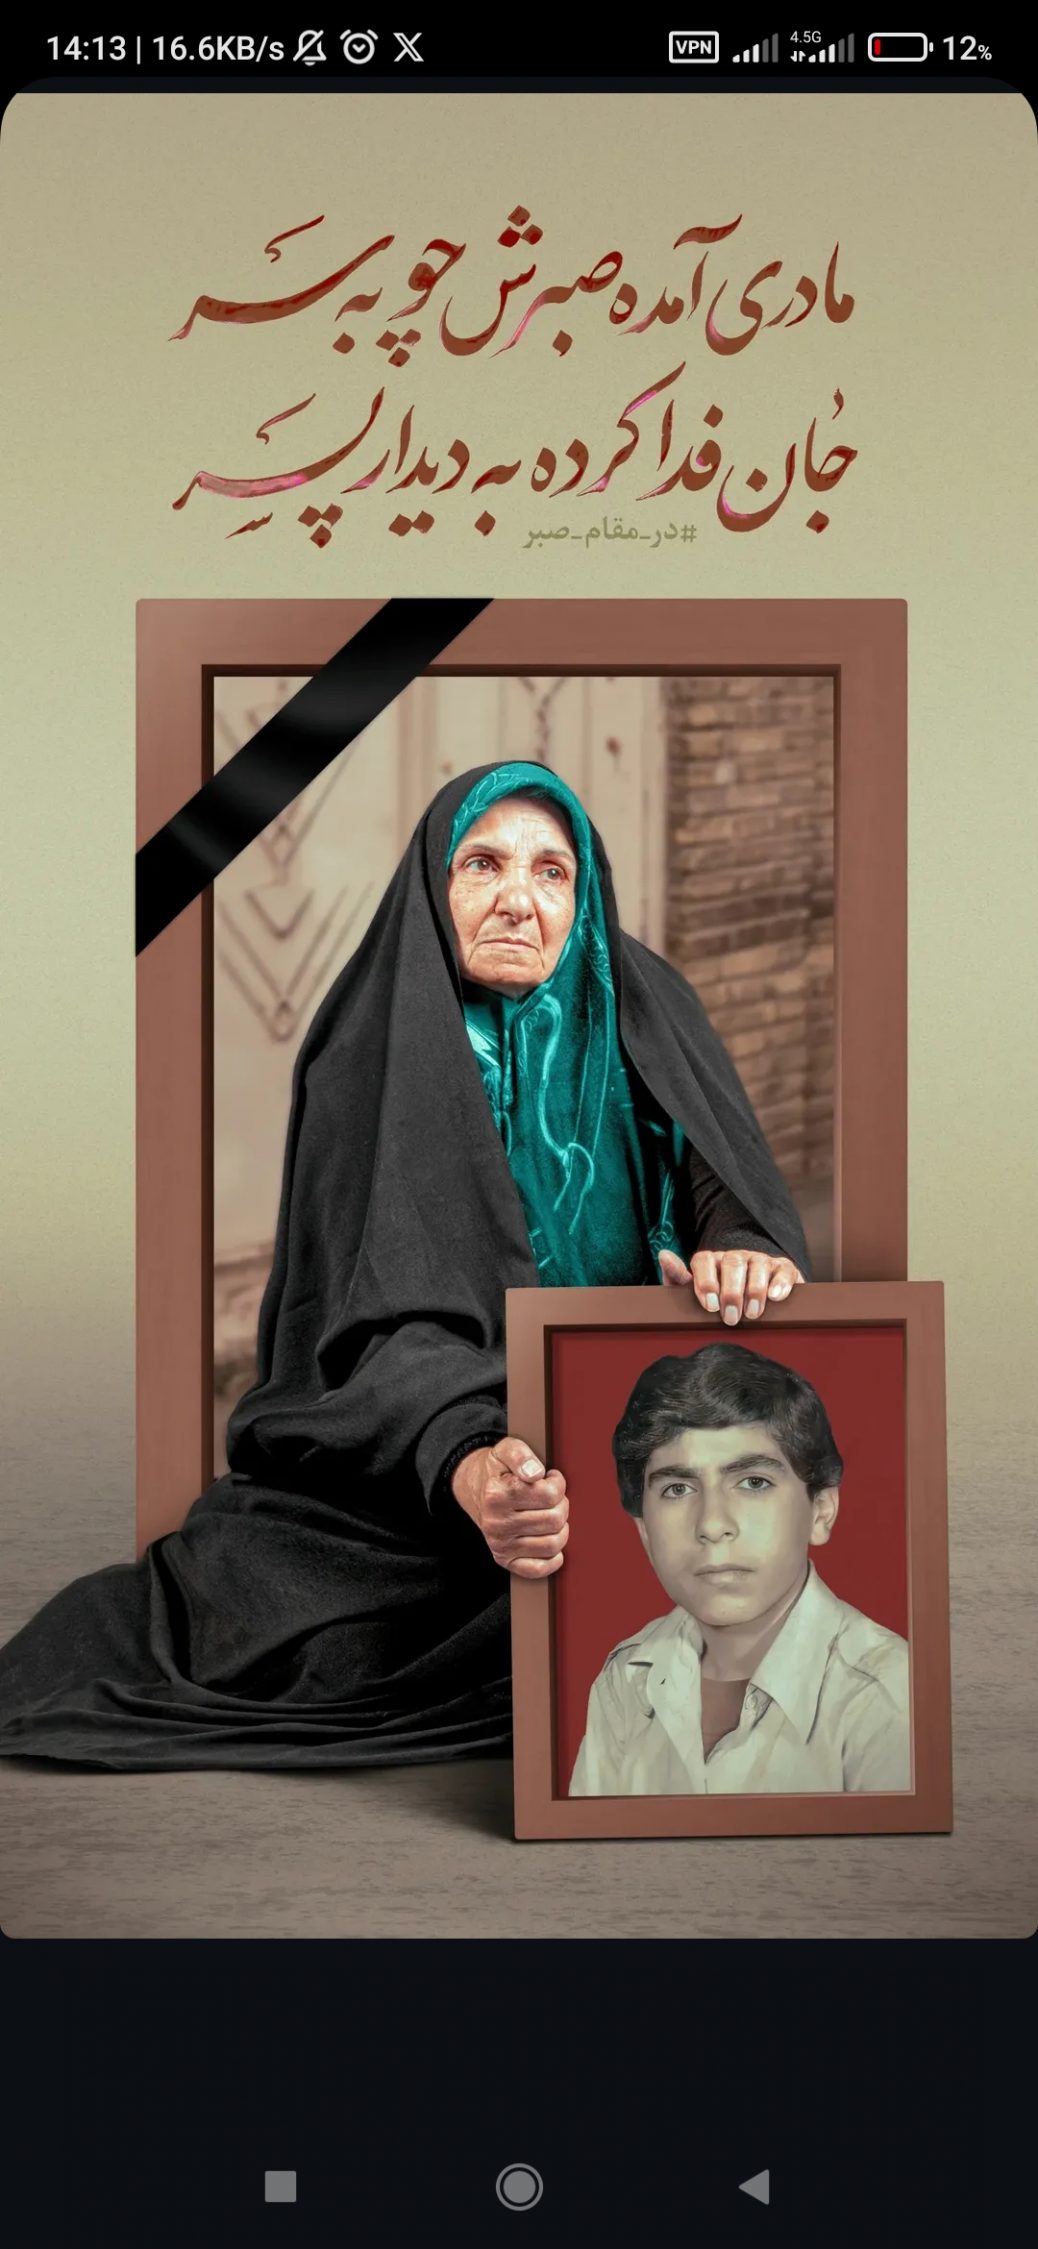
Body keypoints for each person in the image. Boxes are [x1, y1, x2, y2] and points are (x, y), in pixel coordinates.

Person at [0, 762, 808, 1771]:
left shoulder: (650, 1004)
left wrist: (743, 1250)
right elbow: (371, 1313)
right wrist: (474, 1464)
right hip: (425, 1437)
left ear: (584, 894)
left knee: (686, 1541)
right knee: (272, 1597)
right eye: (484, 864)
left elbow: (724, 1178)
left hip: (630, 1413)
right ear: (434, 879)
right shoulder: (370, 1046)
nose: (519, 898)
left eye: (552, 872)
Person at [569, 1344, 910, 1797]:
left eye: (753, 1482)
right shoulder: (626, 1680)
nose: (712, 1524)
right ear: (645, 1531)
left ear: (821, 1512)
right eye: (677, 1488)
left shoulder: (890, 1696)